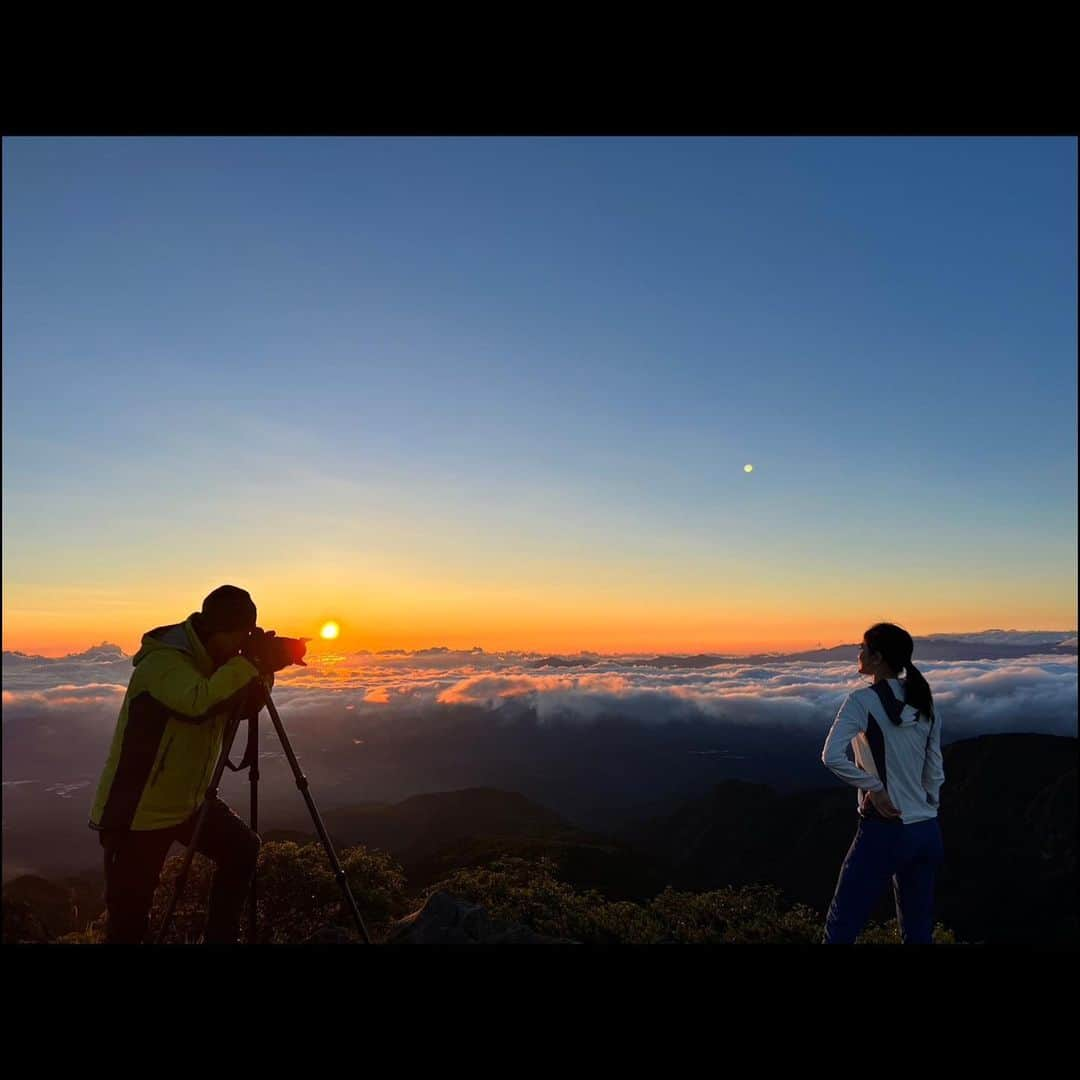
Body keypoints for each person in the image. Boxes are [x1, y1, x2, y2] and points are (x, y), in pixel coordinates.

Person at [88, 585, 295, 943]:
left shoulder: (217, 664)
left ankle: (220, 937)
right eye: (238, 639)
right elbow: (198, 702)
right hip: (138, 813)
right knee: (129, 921)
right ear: (217, 631)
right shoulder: (164, 662)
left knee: (243, 849)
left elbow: (245, 706)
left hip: (188, 803)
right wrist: (249, 664)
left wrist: (264, 670)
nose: (240, 648)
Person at [820, 621, 945, 944]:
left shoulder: (861, 702)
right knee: (918, 932)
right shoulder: (925, 700)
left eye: (862, 647)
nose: (858, 653)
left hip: (885, 829)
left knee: (841, 926)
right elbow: (934, 768)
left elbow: (832, 756)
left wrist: (875, 789)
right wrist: (927, 803)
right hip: (928, 831)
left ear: (877, 658)